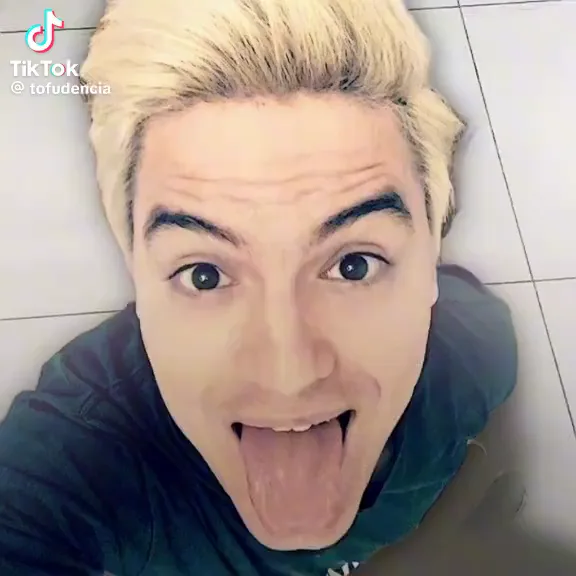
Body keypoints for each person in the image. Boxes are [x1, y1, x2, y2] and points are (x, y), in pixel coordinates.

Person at [0, 0, 518, 574]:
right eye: (205, 275)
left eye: (354, 266)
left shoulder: (476, 348)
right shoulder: (84, 450)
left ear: (430, 256)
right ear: (136, 270)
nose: (288, 374)